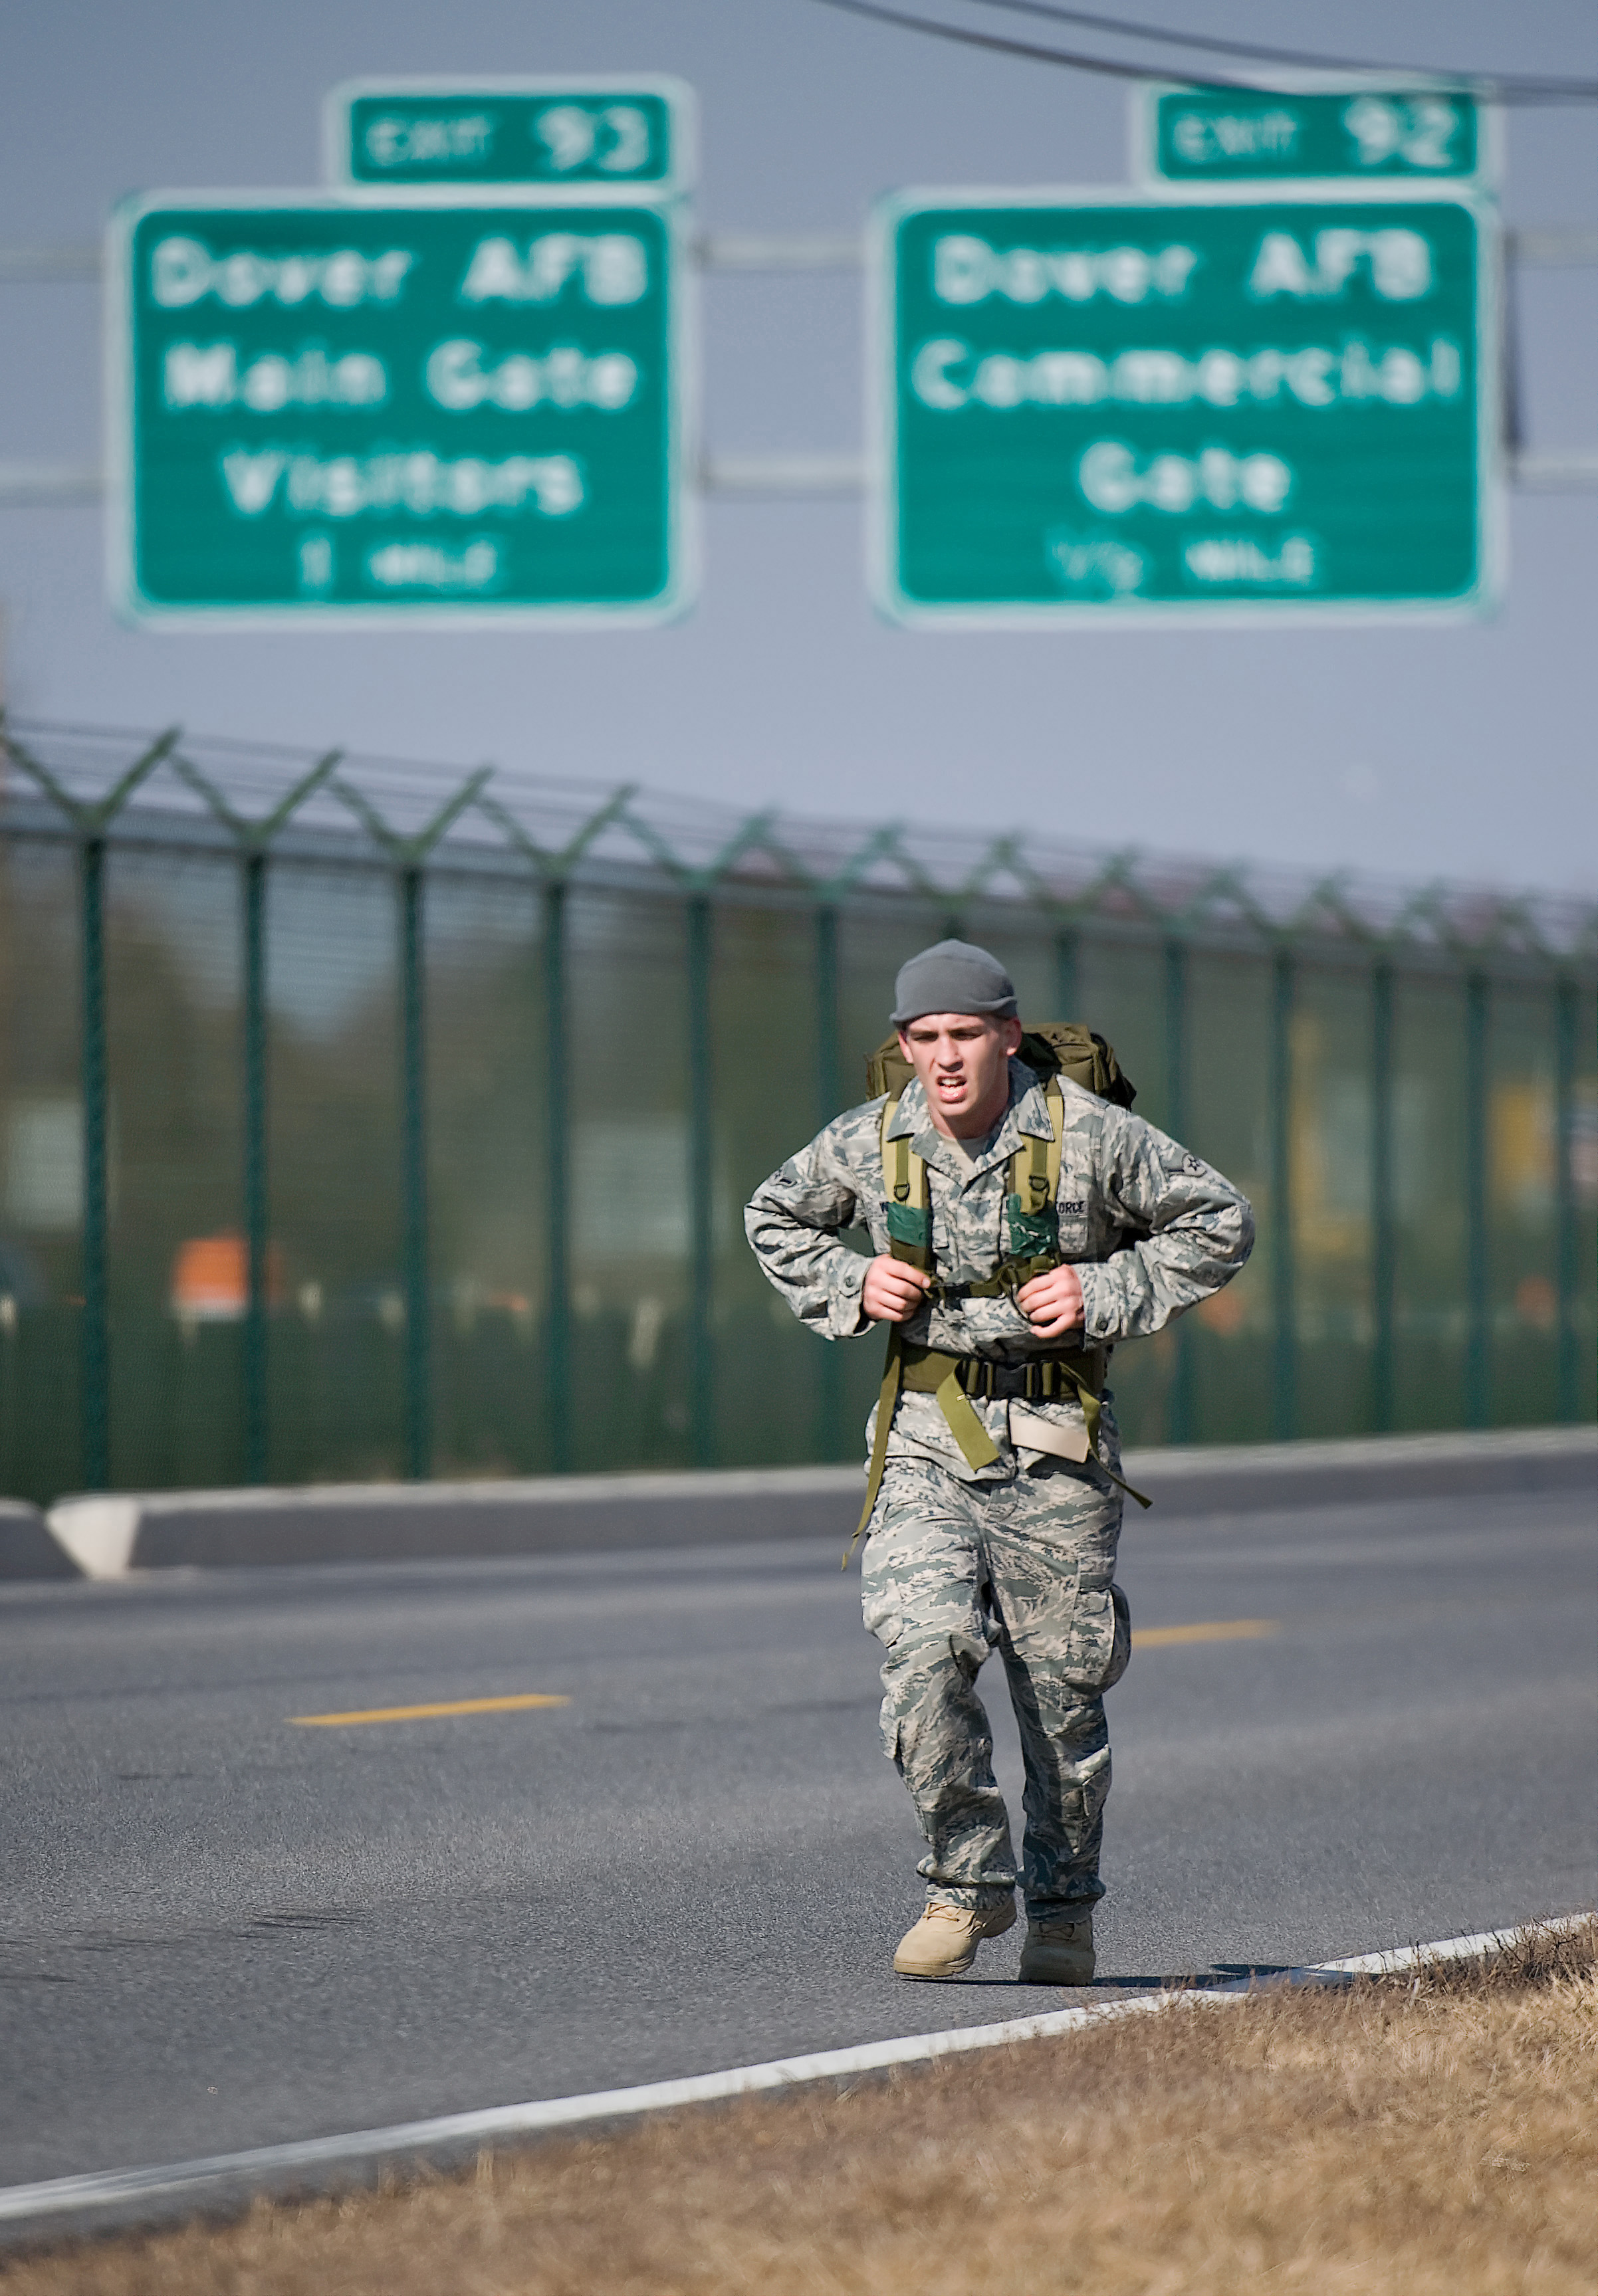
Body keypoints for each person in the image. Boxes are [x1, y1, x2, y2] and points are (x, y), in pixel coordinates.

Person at [744, 939, 1253, 1984]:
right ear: (902, 1044)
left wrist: (1100, 1295)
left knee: (1061, 1701)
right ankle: (963, 1890)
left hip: (1056, 1451)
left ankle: (1063, 1909)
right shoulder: (873, 1140)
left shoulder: (1090, 1137)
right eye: (923, 1037)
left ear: (1008, 1035)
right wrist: (854, 1283)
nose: (944, 1057)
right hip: (928, 1442)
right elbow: (772, 1215)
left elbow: (1220, 1221)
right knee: (925, 1654)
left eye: (965, 1033)